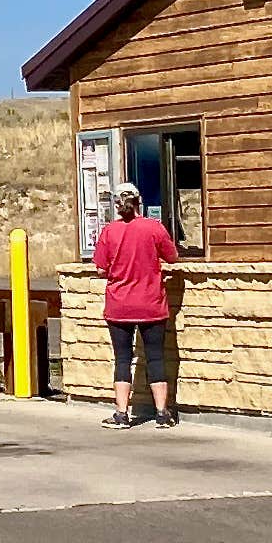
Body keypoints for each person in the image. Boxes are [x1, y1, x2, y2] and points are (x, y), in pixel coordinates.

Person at [93, 181, 180, 427]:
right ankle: (162, 413)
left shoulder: (110, 232)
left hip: (119, 304)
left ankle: (122, 413)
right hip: (151, 304)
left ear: (117, 205)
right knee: (155, 357)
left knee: (122, 358)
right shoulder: (154, 228)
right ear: (139, 201)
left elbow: (101, 268)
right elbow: (172, 257)